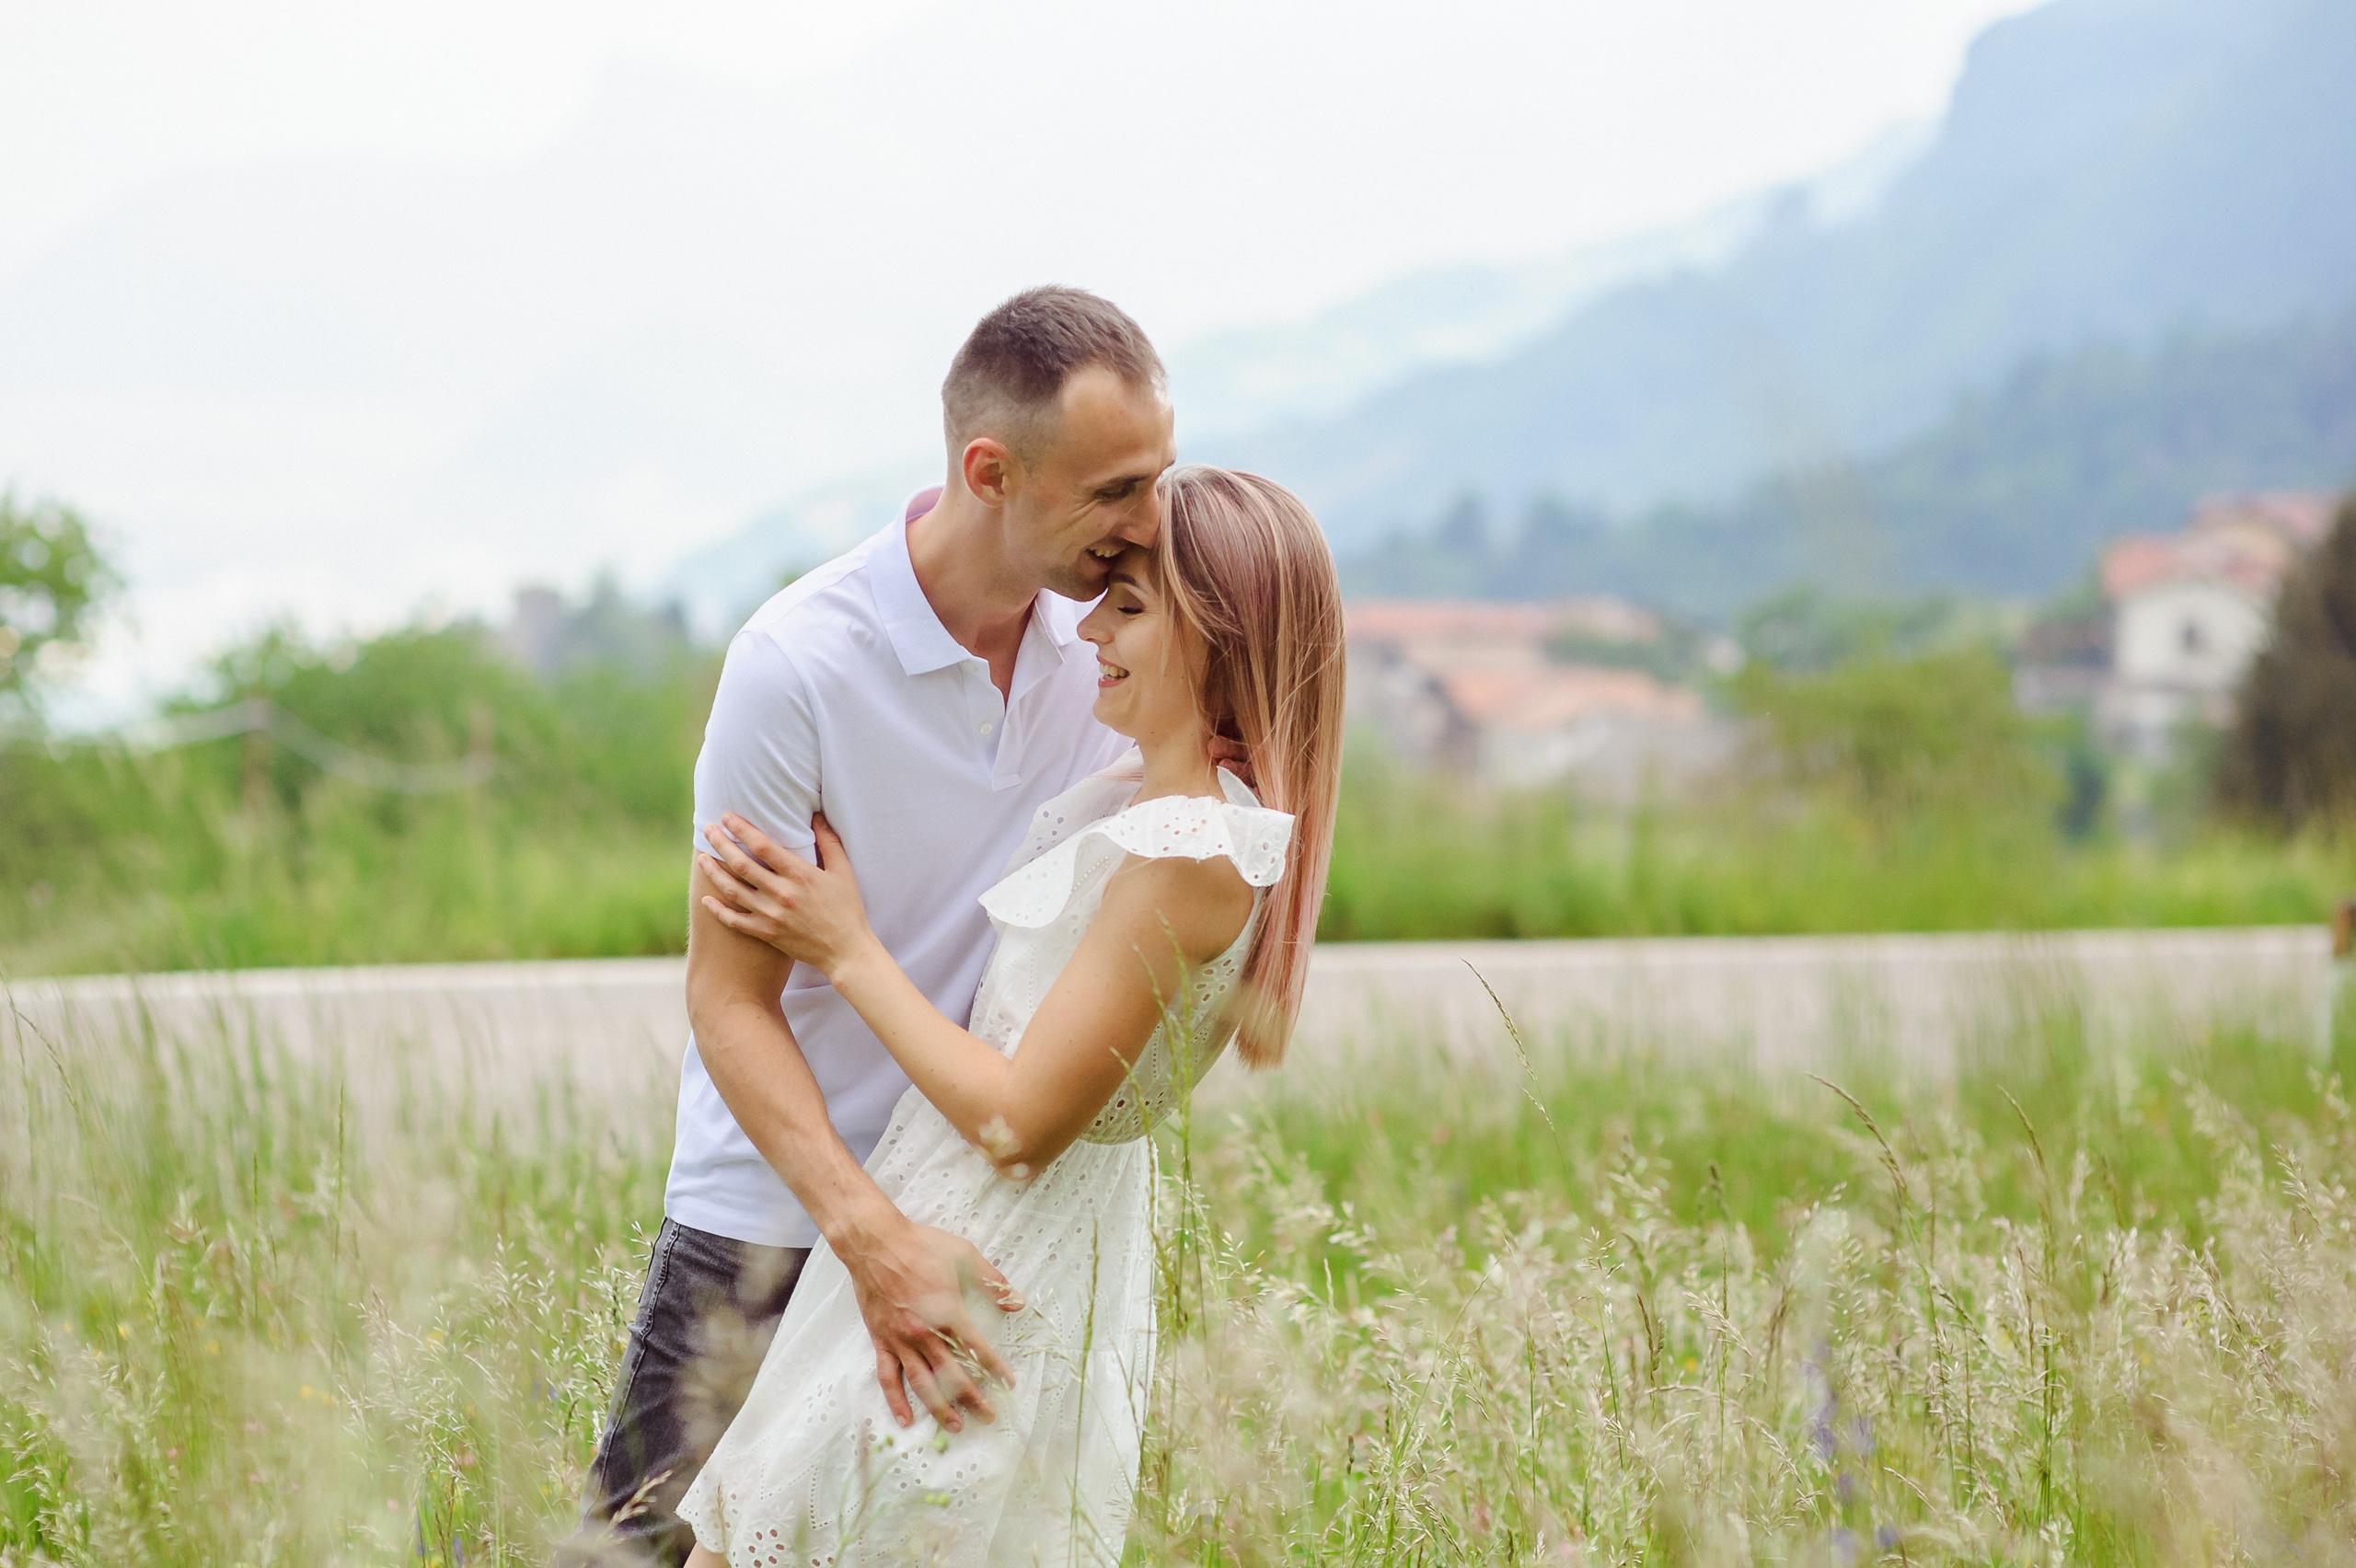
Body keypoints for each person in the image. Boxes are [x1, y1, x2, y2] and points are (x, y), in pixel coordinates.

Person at [563, 286, 1176, 1565]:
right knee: (636, 1556)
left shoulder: (1118, 649)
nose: (1149, 523)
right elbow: (728, 999)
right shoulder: (796, 665)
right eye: (1116, 489)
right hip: (776, 1222)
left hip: (977, 1220)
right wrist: (869, 1239)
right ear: (991, 472)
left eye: (1158, 477)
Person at [676, 465, 1345, 1564]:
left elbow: (1017, 1124)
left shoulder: (1192, 855)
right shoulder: (1141, 807)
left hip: (980, 1267)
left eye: (1130, 607)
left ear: (1223, 637)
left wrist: (845, 948)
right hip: (947, 1239)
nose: (1089, 628)